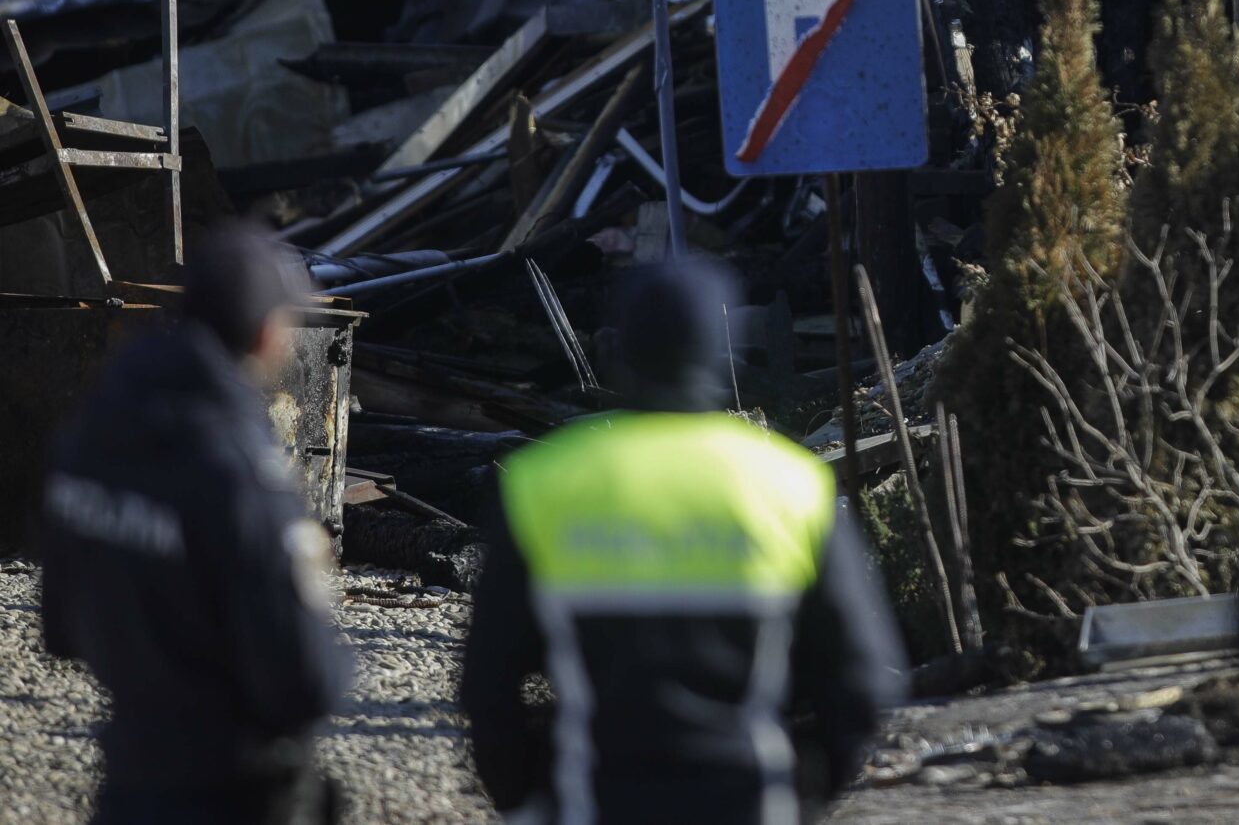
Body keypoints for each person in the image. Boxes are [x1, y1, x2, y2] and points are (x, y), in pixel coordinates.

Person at [460, 258, 906, 825]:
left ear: (618, 350)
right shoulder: (792, 484)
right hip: (750, 804)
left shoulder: (540, 483)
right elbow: (861, 682)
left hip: (595, 804)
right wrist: (810, 793)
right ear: (722, 352)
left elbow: (488, 684)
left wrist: (522, 799)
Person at [40, 222, 352, 825]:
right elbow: (306, 683)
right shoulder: (242, 473)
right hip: (225, 789)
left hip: (128, 780)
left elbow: (61, 628)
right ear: (268, 333)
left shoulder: (89, 437)